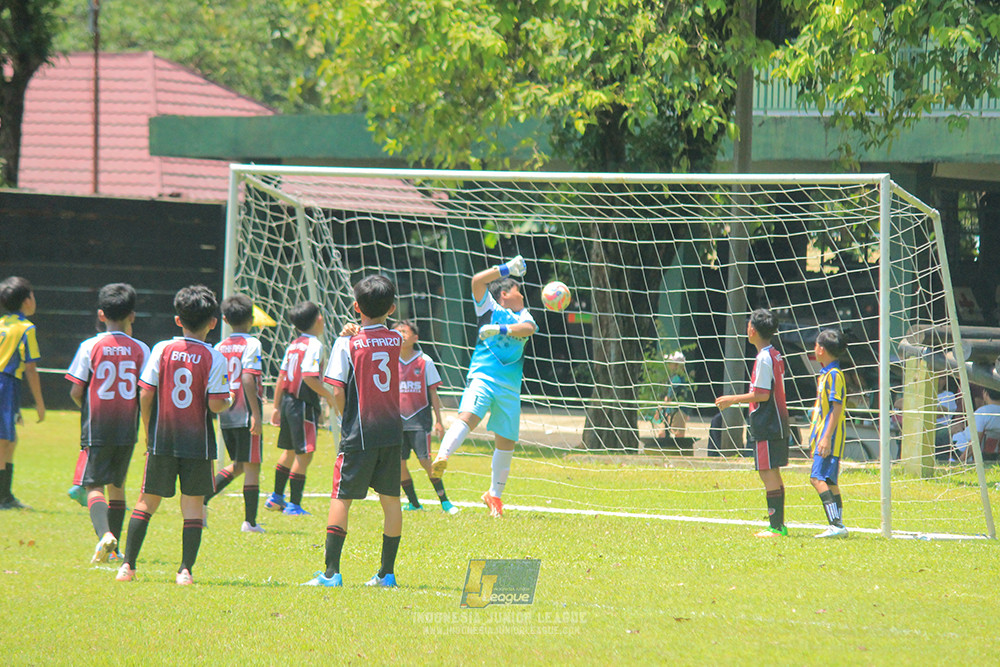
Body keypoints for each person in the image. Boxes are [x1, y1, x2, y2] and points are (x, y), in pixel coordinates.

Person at [116, 285, 232, 584]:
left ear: (178, 320)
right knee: (193, 505)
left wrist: (148, 429)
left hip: (163, 439)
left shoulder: (162, 350)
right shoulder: (215, 357)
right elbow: (216, 404)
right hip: (198, 442)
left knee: (147, 501)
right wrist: (228, 400)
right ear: (213, 322)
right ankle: (184, 571)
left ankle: (127, 567)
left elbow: (145, 393)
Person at [304, 275, 403, 587]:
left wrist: (346, 416)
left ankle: (331, 574)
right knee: (391, 500)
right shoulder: (398, 339)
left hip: (359, 431)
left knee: (341, 497)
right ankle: (387, 575)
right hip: (391, 430)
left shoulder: (347, 342)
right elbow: (381, 340)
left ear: (356, 307)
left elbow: (335, 388)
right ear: (392, 308)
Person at [430, 255, 537, 517]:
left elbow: (528, 328)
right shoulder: (488, 308)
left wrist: (500, 330)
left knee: (507, 442)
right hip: (484, 377)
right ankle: (442, 455)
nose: (521, 294)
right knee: (469, 417)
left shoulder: (522, 315)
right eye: (516, 289)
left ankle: (494, 496)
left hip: (510, 388)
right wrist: (507, 269)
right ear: (503, 294)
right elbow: (477, 281)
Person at [65, 283, 150, 561]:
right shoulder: (141, 348)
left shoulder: (90, 345)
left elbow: (76, 391)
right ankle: (114, 552)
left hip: (97, 427)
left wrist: (89, 408)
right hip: (127, 428)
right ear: (132, 316)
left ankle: (105, 535)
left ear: (101, 314)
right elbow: (146, 389)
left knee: (93, 486)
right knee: (118, 486)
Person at [715, 309, 790, 537]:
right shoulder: (775, 354)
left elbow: (762, 394)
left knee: (767, 472)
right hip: (778, 423)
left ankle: (775, 527)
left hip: (767, 424)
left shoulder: (764, 358)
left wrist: (731, 399)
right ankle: (779, 524)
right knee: (772, 472)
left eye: (748, 324)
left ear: (752, 330)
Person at [203, 294, 265, 533]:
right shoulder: (252, 344)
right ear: (251, 318)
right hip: (245, 413)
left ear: (226, 320)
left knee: (239, 465)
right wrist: (256, 415)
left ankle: (203, 499)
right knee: (251, 467)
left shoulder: (219, 346)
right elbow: (248, 377)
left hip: (226, 414)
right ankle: (250, 522)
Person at [266, 301, 335, 516]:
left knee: (289, 451)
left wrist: (276, 407)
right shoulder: (315, 345)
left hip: (287, 402)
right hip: (303, 404)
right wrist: (329, 395)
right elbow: (309, 377)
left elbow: (281, 377)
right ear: (318, 319)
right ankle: (294, 505)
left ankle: (276, 498)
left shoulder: (294, 344)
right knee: (304, 455)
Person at [395, 319, 457, 514]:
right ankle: (414, 502)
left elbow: (433, 393)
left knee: (425, 461)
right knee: (399, 464)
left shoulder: (425, 361)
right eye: (397, 332)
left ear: (415, 337)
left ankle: (445, 501)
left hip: (419, 421)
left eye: (405, 331)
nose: (401, 335)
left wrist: (439, 421)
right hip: (396, 422)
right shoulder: (388, 360)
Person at [0, 276, 45, 510]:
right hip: (5, 385)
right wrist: (39, 403)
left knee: (10, 440)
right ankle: (2, 498)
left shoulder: (1, 324)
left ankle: (6, 495)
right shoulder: (26, 328)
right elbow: (30, 367)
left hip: (8, 385)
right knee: (4, 441)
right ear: (26, 301)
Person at [806, 329, 849, 539]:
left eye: (815, 345)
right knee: (830, 481)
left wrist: (825, 437)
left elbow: (836, 408)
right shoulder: (827, 374)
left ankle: (835, 525)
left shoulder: (834, 375)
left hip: (829, 437)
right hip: (825, 435)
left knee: (817, 478)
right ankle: (838, 525)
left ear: (821, 350)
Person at [951, 386, 1000, 463]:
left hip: (961, 447)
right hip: (990, 452)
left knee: (939, 437)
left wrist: (960, 461)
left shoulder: (983, 411)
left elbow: (975, 442)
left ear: (985, 394)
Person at [653, 351, 693, 439]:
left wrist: (659, 409)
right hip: (672, 411)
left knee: (678, 435)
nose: (669, 365)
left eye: (671, 363)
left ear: (677, 365)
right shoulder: (681, 378)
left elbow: (670, 397)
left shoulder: (676, 379)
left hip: (677, 411)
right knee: (663, 433)